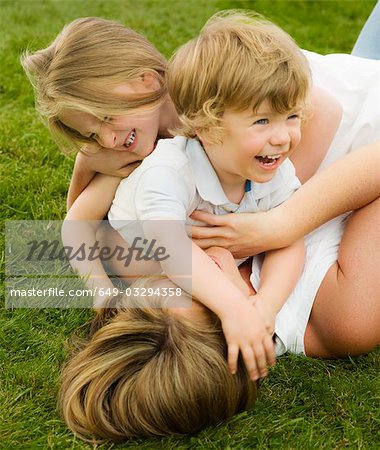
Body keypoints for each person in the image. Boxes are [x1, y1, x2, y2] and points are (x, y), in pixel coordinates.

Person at [22, 13, 379, 361]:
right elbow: (83, 223)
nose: (107, 138)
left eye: (103, 118)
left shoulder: (220, 89)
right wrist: (88, 162)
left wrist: (277, 220)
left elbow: (322, 113)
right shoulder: (133, 145)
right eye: (91, 134)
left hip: (356, 130)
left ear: (146, 81)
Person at [59, 248, 258, 442]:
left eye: (173, 280)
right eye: (205, 298)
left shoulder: (151, 261)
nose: (198, 268)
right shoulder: (283, 318)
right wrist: (278, 229)